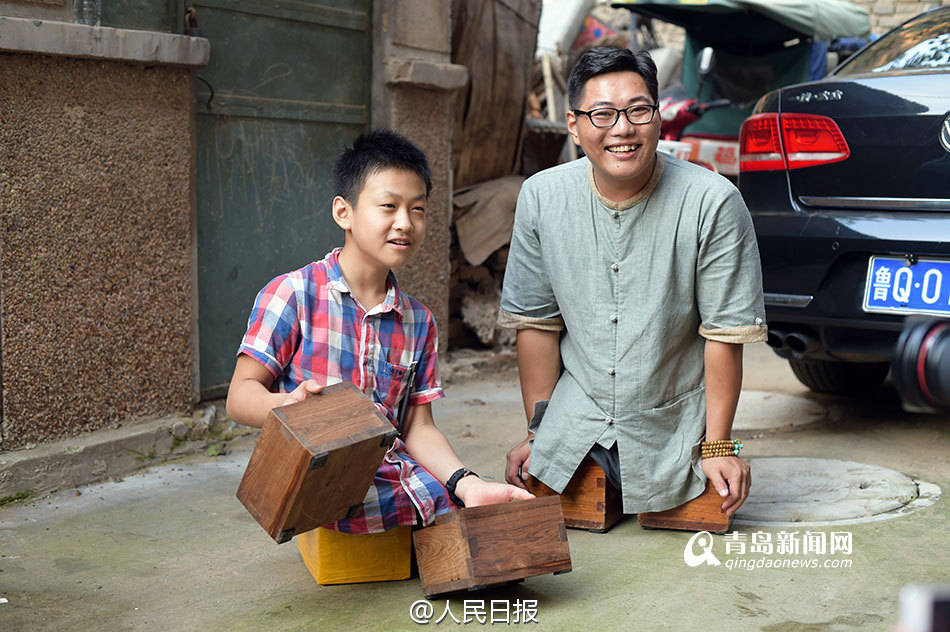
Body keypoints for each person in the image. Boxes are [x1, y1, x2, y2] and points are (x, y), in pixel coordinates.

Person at [499, 47, 766, 518]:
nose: (622, 129)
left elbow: (724, 333)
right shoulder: (541, 197)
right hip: (575, 422)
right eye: (602, 114)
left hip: (676, 428)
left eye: (638, 110)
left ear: (659, 117)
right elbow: (537, 324)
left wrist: (720, 446)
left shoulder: (714, 202)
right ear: (573, 124)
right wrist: (538, 435)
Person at [226, 129, 532, 534]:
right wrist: (289, 406)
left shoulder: (418, 321)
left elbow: (418, 428)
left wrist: (467, 483)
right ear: (344, 213)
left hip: (398, 483)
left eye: (417, 209)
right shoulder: (294, 294)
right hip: (320, 487)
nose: (405, 223)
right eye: (388, 206)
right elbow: (239, 397)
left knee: (496, 530)